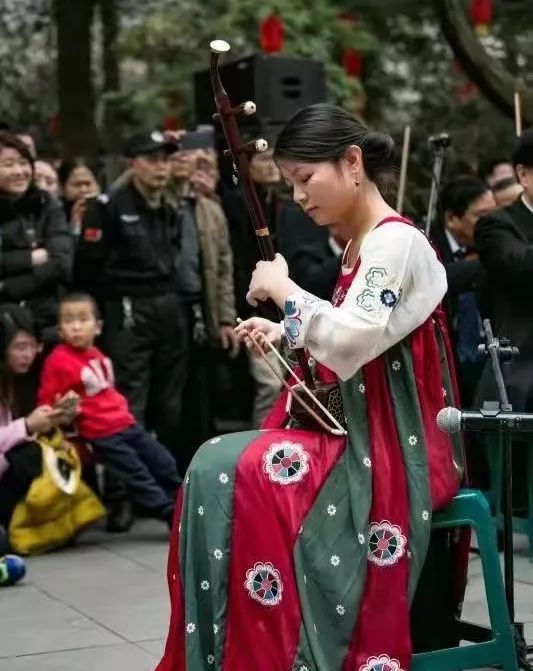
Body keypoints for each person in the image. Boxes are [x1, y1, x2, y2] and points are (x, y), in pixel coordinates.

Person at [156, 104, 465, 671]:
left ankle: (269, 651)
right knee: (216, 468)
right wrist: (283, 328)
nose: (298, 197)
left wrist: (285, 290)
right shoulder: (365, 243)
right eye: (291, 182)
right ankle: (242, 649)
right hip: (367, 433)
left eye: (305, 179)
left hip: (395, 447)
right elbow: (364, 337)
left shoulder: (394, 244)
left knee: (224, 468)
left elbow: (350, 344)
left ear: (351, 163)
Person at [38, 293, 180, 526]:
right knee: (136, 473)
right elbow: (46, 401)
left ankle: (184, 498)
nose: (76, 326)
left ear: (98, 326)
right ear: (59, 329)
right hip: (100, 433)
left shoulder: (97, 355)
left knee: (162, 460)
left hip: (125, 423)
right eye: (68, 321)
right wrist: (60, 419)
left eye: (83, 319)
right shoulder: (58, 360)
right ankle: (170, 515)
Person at [168, 146, 240, 474]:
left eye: (197, 165)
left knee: (201, 389)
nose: (188, 169)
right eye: (179, 161)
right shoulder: (163, 204)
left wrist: (225, 318)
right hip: (165, 307)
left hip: (202, 306)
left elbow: (224, 267)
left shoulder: (210, 208)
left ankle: (198, 468)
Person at [0, 132, 72, 337]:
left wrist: (7, 286)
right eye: (8, 164)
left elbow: (60, 263)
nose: (19, 171)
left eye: (24, 163)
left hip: (47, 317)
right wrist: (30, 258)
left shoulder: (46, 204)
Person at [433, 175, 495, 406]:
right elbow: (439, 279)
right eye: (481, 216)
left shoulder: (494, 241)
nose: (491, 223)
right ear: (451, 218)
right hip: (447, 369)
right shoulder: (428, 242)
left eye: (493, 213)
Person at [57, 158, 100, 237]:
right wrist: (75, 225)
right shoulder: (56, 215)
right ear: (62, 188)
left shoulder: (109, 212)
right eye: (77, 184)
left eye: (88, 184)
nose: (84, 190)